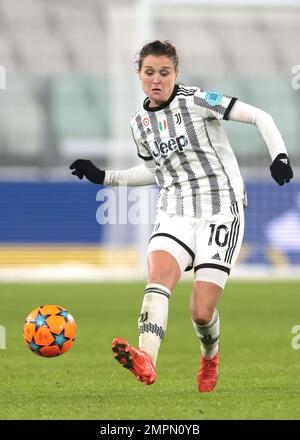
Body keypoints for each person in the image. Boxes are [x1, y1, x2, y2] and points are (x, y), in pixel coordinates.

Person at [69, 40, 293, 392]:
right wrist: (104, 176)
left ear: (176, 73)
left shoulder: (198, 101)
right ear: (139, 74)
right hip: (174, 209)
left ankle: (210, 355)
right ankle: (146, 358)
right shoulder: (139, 124)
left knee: (201, 312)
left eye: (164, 72)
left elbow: (261, 117)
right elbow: (155, 172)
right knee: (157, 278)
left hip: (221, 210)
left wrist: (279, 155)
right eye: (149, 72)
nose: (156, 80)